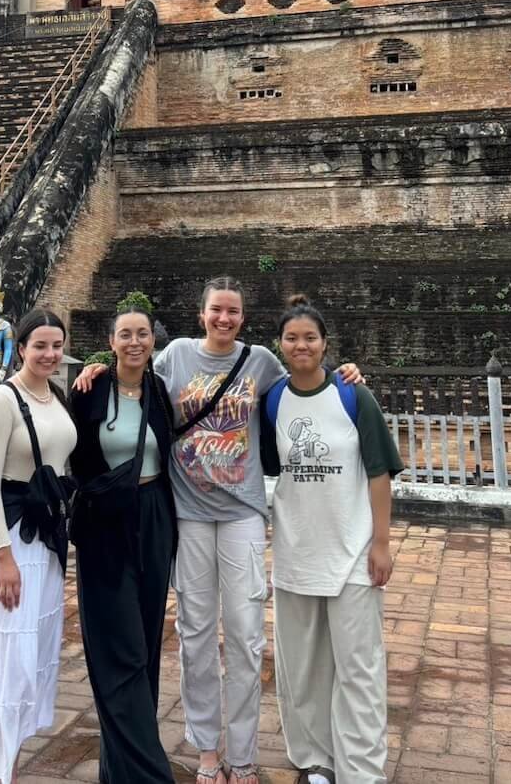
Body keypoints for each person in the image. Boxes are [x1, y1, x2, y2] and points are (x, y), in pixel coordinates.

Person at [75, 276, 362, 784]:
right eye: (216, 310)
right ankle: (207, 750)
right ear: (201, 313)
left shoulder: (260, 363)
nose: (224, 319)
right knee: (196, 635)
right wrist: (99, 367)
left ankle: (244, 753)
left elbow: (306, 377)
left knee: (247, 636)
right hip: (187, 513)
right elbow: (133, 372)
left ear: (242, 318)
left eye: (233, 311)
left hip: (242, 513)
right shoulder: (178, 356)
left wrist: (349, 376)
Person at [261, 295, 403, 784]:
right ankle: (316, 761)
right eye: (292, 338)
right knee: (302, 668)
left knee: (359, 669)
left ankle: (362, 771)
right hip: (297, 551)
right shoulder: (273, 400)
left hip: (354, 552)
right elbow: (264, 467)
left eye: (310, 338)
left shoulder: (352, 395)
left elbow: (380, 472)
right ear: (279, 344)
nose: (301, 346)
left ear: (324, 344)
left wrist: (381, 543)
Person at [0, 308, 77, 784]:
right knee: (1, 664)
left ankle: (7, 767)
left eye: (56, 345)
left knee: (28, 664)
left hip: (46, 544)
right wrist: (3, 558)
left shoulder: (57, 396)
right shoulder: (3, 401)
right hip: (9, 543)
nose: (50, 354)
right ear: (20, 347)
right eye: (40, 345)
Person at [69, 303, 177, 784]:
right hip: (105, 524)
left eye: (143, 334)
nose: (135, 342)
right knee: (120, 648)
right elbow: (68, 454)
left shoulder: (158, 391)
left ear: (153, 341)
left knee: (147, 642)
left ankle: (120, 772)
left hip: (154, 516)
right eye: (125, 334)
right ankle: (151, 774)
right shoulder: (90, 391)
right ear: (110, 342)